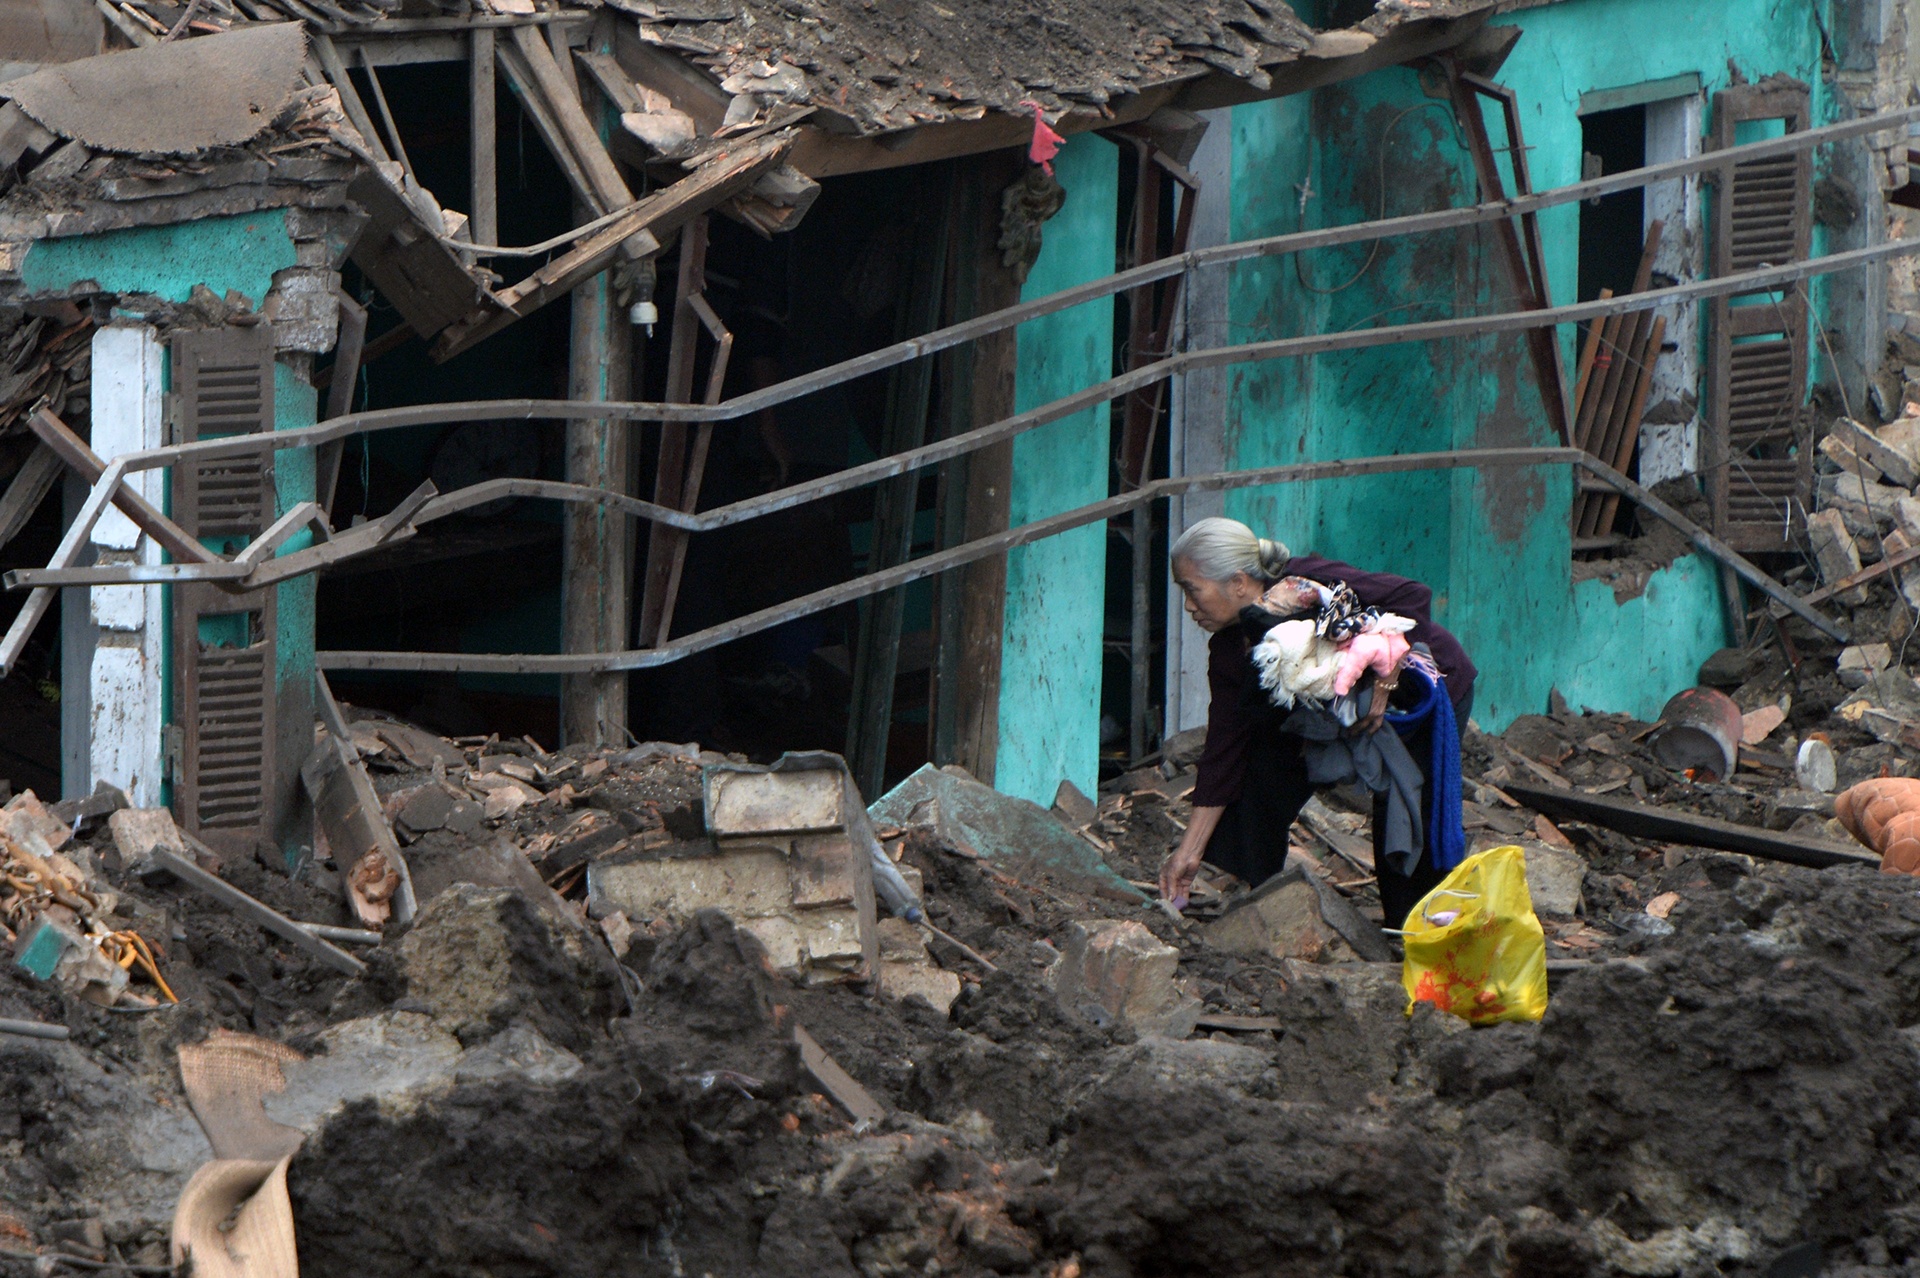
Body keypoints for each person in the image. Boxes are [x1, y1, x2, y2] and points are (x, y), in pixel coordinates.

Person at [1157, 517, 1477, 931]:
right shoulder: (1228, 650)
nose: (1187, 606)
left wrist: (1385, 681)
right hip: (1332, 715)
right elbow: (1225, 746)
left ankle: (1415, 930)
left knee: (1406, 810)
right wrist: (1189, 851)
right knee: (1261, 768)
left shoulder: (1308, 584)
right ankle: (1261, 895)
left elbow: (1414, 597)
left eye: (1192, 590)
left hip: (1420, 695)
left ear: (1237, 582)